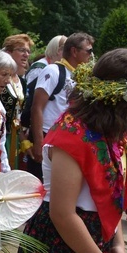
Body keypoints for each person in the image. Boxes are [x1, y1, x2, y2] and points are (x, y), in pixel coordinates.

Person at [17, 48, 127, 253]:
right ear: (123, 96)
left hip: (95, 241)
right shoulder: (72, 135)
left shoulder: (111, 131)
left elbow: (112, 196)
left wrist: (118, 243)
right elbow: (62, 214)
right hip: (63, 245)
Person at [27, 32, 94, 180]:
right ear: (74, 51)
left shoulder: (80, 76)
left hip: (66, 139)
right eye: (88, 50)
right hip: (47, 137)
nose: (91, 54)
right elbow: (37, 107)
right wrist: (38, 142)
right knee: (39, 185)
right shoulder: (53, 70)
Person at [0, 34, 33, 168]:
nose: (26, 54)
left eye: (28, 51)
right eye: (21, 50)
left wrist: (23, 139)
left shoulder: (22, 82)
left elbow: (18, 114)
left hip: (14, 137)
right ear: (8, 52)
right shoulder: (0, 77)